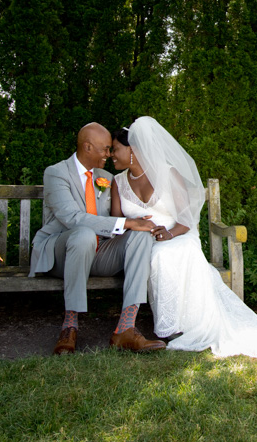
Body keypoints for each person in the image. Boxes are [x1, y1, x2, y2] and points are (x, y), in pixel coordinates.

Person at [109, 116, 257, 358]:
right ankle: (166, 325)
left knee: (166, 254)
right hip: (139, 242)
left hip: (178, 236)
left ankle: (177, 326)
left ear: (133, 150)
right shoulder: (117, 183)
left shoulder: (167, 174)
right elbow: (116, 222)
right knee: (154, 253)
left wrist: (168, 233)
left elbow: (186, 219)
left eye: (115, 149)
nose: (111, 154)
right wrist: (138, 228)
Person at [29, 122, 166, 354]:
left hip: (99, 253)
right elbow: (72, 218)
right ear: (88, 147)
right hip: (62, 253)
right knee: (83, 234)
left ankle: (126, 328)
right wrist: (128, 223)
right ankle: (69, 326)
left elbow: (115, 218)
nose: (109, 154)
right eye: (104, 149)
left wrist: (139, 221)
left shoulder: (105, 177)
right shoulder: (56, 173)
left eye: (111, 149)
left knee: (140, 237)